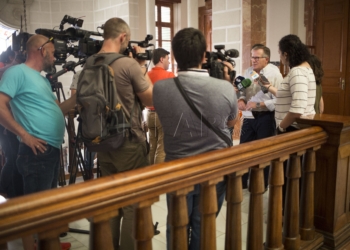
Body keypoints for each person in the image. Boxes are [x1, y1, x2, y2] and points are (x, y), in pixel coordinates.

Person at [153, 27, 238, 250]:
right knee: (204, 222)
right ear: (203, 57)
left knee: (177, 222)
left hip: (178, 167)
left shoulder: (160, 88)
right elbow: (230, 123)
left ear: (174, 57)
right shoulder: (225, 88)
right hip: (214, 167)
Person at [0, 34, 76, 250]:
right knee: (34, 208)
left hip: (49, 150)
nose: (54, 58)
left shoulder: (41, 79)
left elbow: (56, 109)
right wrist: (24, 135)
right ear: (41, 50)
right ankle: (32, 246)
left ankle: (47, 243)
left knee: (47, 205)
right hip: (35, 151)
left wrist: (76, 100)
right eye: (52, 53)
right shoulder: (17, 72)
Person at [89, 18, 153, 250]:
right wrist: (142, 66)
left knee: (112, 202)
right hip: (128, 142)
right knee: (133, 205)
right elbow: (151, 99)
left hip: (102, 141)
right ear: (123, 37)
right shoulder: (128, 64)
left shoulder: (90, 62)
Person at [238, 44, 283, 188]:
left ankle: (260, 185)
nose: (253, 60)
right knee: (244, 149)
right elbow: (242, 90)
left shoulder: (275, 74)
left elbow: (280, 100)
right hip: (249, 116)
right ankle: (242, 182)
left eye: (257, 57)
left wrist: (258, 105)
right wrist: (241, 99)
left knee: (263, 152)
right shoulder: (248, 71)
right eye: (252, 57)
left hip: (266, 117)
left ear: (267, 59)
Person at [261, 34, 316, 133]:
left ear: (286, 54)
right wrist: (268, 86)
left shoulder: (297, 72)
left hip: (292, 128)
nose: (280, 57)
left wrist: (281, 127)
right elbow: (287, 95)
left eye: (280, 53)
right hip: (294, 127)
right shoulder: (306, 69)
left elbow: (297, 109)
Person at [146, 48, 175, 164]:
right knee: (162, 149)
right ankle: (157, 177)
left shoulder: (147, 75)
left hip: (149, 115)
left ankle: (149, 173)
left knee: (152, 147)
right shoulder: (169, 75)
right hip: (163, 115)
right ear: (161, 59)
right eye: (168, 59)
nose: (169, 62)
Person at [70, 70, 96, 179]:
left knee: (93, 143)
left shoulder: (100, 72)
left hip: (94, 114)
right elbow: (74, 96)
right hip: (86, 115)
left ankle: (89, 169)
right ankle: (88, 169)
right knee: (91, 143)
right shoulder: (79, 74)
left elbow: (74, 95)